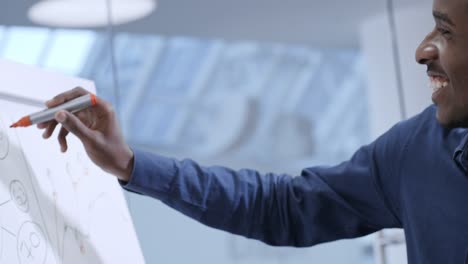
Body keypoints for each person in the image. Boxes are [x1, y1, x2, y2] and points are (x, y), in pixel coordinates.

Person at [37, 0, 468, 262]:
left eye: (446, 31)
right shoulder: (416, 152)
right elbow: (281, 206)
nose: (422, 49)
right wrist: (130, 165)